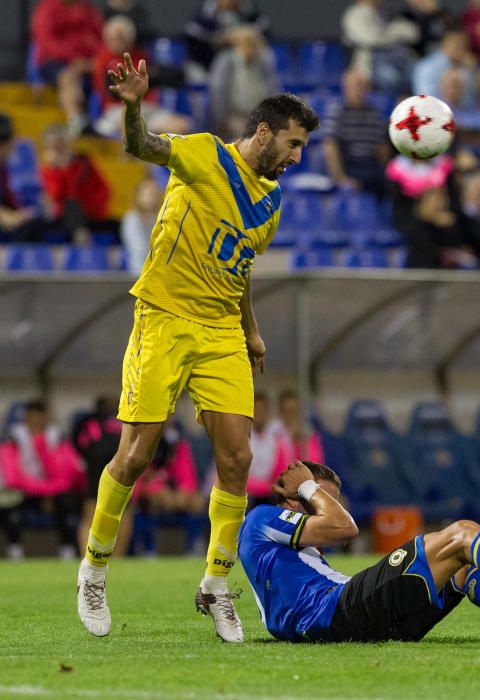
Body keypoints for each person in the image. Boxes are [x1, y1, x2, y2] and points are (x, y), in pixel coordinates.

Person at [75, 51, 319, 643]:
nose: (296, 157)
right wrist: (132, 109)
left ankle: (215, 585)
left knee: (237, 460)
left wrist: (251, 329)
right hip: (162, 317)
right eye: (291, 144)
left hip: (219, 332)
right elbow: (144, 148)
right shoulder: (204, 153)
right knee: (135, 456)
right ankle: (94, 568)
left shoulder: (270, 203)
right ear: (263, 131)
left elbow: (239, 269)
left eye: (303, 149)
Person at [238, 459, 480, 643]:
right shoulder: (263, 518)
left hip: (362, 622)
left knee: (462, 555)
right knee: (461, 534)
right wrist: (308, 486)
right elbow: (346, 527)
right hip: (339, 612)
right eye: (324, 499)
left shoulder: (292, 547)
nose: (332, 509)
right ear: (292, 499)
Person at [0, 400, 85, 560]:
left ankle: (67, 549)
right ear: (26, 417)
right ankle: (15, 549)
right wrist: (43, 490)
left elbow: (66, 472)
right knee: (10, 506)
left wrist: (43, 448)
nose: (37, 422)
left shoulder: (56, 436)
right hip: (23, 489)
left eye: (41, 418)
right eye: (33, 418)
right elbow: (12, 476)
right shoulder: (14, 436)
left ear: (46, 417)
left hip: (51, 489)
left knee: (67, 502)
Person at [92, 16, 192, 139]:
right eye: (115, 38)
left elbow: (172, 76)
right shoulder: (103, 59)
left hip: (148, 109)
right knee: (130, 130)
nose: (118, 41)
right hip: (118, 110)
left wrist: (150, 78)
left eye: (122, 37)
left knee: (182, 126)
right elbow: (113, 90)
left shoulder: (142, 56)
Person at [30, 0, 103, 135]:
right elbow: (46, 41)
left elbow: (99, 40)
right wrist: (74, 60)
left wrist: (92, 60)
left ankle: (104, 122)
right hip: (55, 62)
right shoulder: (47, 8)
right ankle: (76, 120)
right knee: (69, 75)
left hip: (86, 63)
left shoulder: (89, 10)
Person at [134, 420, 205, 554]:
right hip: (147, 495)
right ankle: (149, 549)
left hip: (173, 493)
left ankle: (193, 547)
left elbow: (188, 477)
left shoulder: (179, 444)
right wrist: (157, 489)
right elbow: (139, 479)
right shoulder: (142, 441)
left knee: (196, 501)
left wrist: (181, 494)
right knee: (155, 499)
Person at [72, 396, 130, 560]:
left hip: (96, 468)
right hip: (118, 465)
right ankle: (117, 556)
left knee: (91, 513)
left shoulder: (88, 422)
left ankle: (88, 555)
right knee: (124, 512)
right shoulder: (124, 419)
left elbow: (77, 442)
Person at [322, 69, 392, 199]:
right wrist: (341, 178)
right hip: (349, 166)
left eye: (362, 87)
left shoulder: (374, 113)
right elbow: (330, 146)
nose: (358, 91)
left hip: (372, 166)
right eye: (354, 87)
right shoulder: (337, 111)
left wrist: (387, 173)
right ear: (345, 89)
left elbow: (382, 148)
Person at [39, 124, 112, 240]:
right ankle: (81, 237)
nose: (58, 150)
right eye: (53, 147)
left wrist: (89, 208)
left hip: (90, 214)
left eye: (60, 144)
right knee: (71, 207)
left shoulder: (85, 163)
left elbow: (104, 190)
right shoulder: (46, 171)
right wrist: (59, 170)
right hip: (61, 217)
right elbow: (55, 196)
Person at [209, 25, 280, 141]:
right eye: (245, 43)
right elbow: (218, 92)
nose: (249, 47)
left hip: (261, 116)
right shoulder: (226, 61)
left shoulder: (264, 61)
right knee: (245, 137)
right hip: (235, 116)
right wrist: (222, 120)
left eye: (253, 43)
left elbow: (273, 89)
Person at [341, 0, 419, 93]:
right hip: (371, 65)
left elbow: (413, 33)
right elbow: (370, 39)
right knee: (390, 76)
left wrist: (383, 34)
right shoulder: (355, 14)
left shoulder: (386, 12)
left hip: (401, 59)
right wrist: (396, 36)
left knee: (421, 71)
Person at [184, 0, 271, 71]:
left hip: (247, 63)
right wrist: (222, 38)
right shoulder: (205, 13)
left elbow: (263, 26)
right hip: (208, 63)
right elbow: (193, 33)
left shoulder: (248, 10)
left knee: (266, 54)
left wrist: (246, 35)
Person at [0, 115, 45, 242]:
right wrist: (6, 216)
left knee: (34, 222)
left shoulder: (4, 167)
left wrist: (21, 214)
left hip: (12, 215)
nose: (13, 149)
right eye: (9, 145)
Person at [412, 29, 480, 108]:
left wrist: (474, 71)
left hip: (462, 113)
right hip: (435, 112)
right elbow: (425, 98)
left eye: (464, 46)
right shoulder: (426, 67)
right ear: (444, 45)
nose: (461, 50)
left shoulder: (466, 67)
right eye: (457, 45)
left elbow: (471, 99)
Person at [246, 393, 287, 508]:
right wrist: (265, 487)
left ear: (267, 412)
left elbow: (281, 471)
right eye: (256, 410)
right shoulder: (242, 438)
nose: (259, 414)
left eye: (262, 410)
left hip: (270, 495)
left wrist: (271, 487)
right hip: (249, 495)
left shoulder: (276, 439)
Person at [272, 389, 325, 465]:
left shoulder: (309, 433)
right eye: (288, 411)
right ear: (280, 412)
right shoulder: (273, 435)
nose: (291, 415)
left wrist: (301, 444)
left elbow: (316, 463)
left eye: (294, 410)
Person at [121, 177, 162, 275]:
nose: (151, 196)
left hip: (158, 274)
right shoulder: (130, 219)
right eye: (147, 193)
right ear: (138, 195)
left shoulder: (159, 219)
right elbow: (138, 250)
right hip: (137, 274)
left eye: (153, 193)